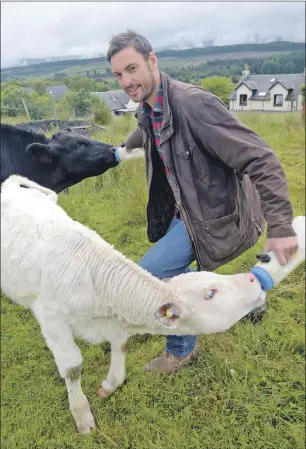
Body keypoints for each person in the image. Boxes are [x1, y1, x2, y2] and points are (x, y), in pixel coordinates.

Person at [106, 30, 298, 374]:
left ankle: (181, 351)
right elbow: (146, 127)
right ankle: (251, 297)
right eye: (119, 74)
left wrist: (281, 225)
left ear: (152, 61)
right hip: (186, 210)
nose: (126, 81)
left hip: (215, 216)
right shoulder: (150, 106)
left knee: (151, 277)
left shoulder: (194, 105)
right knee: (172, 277)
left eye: (132, 69)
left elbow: (261, 159)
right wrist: (123, 148)